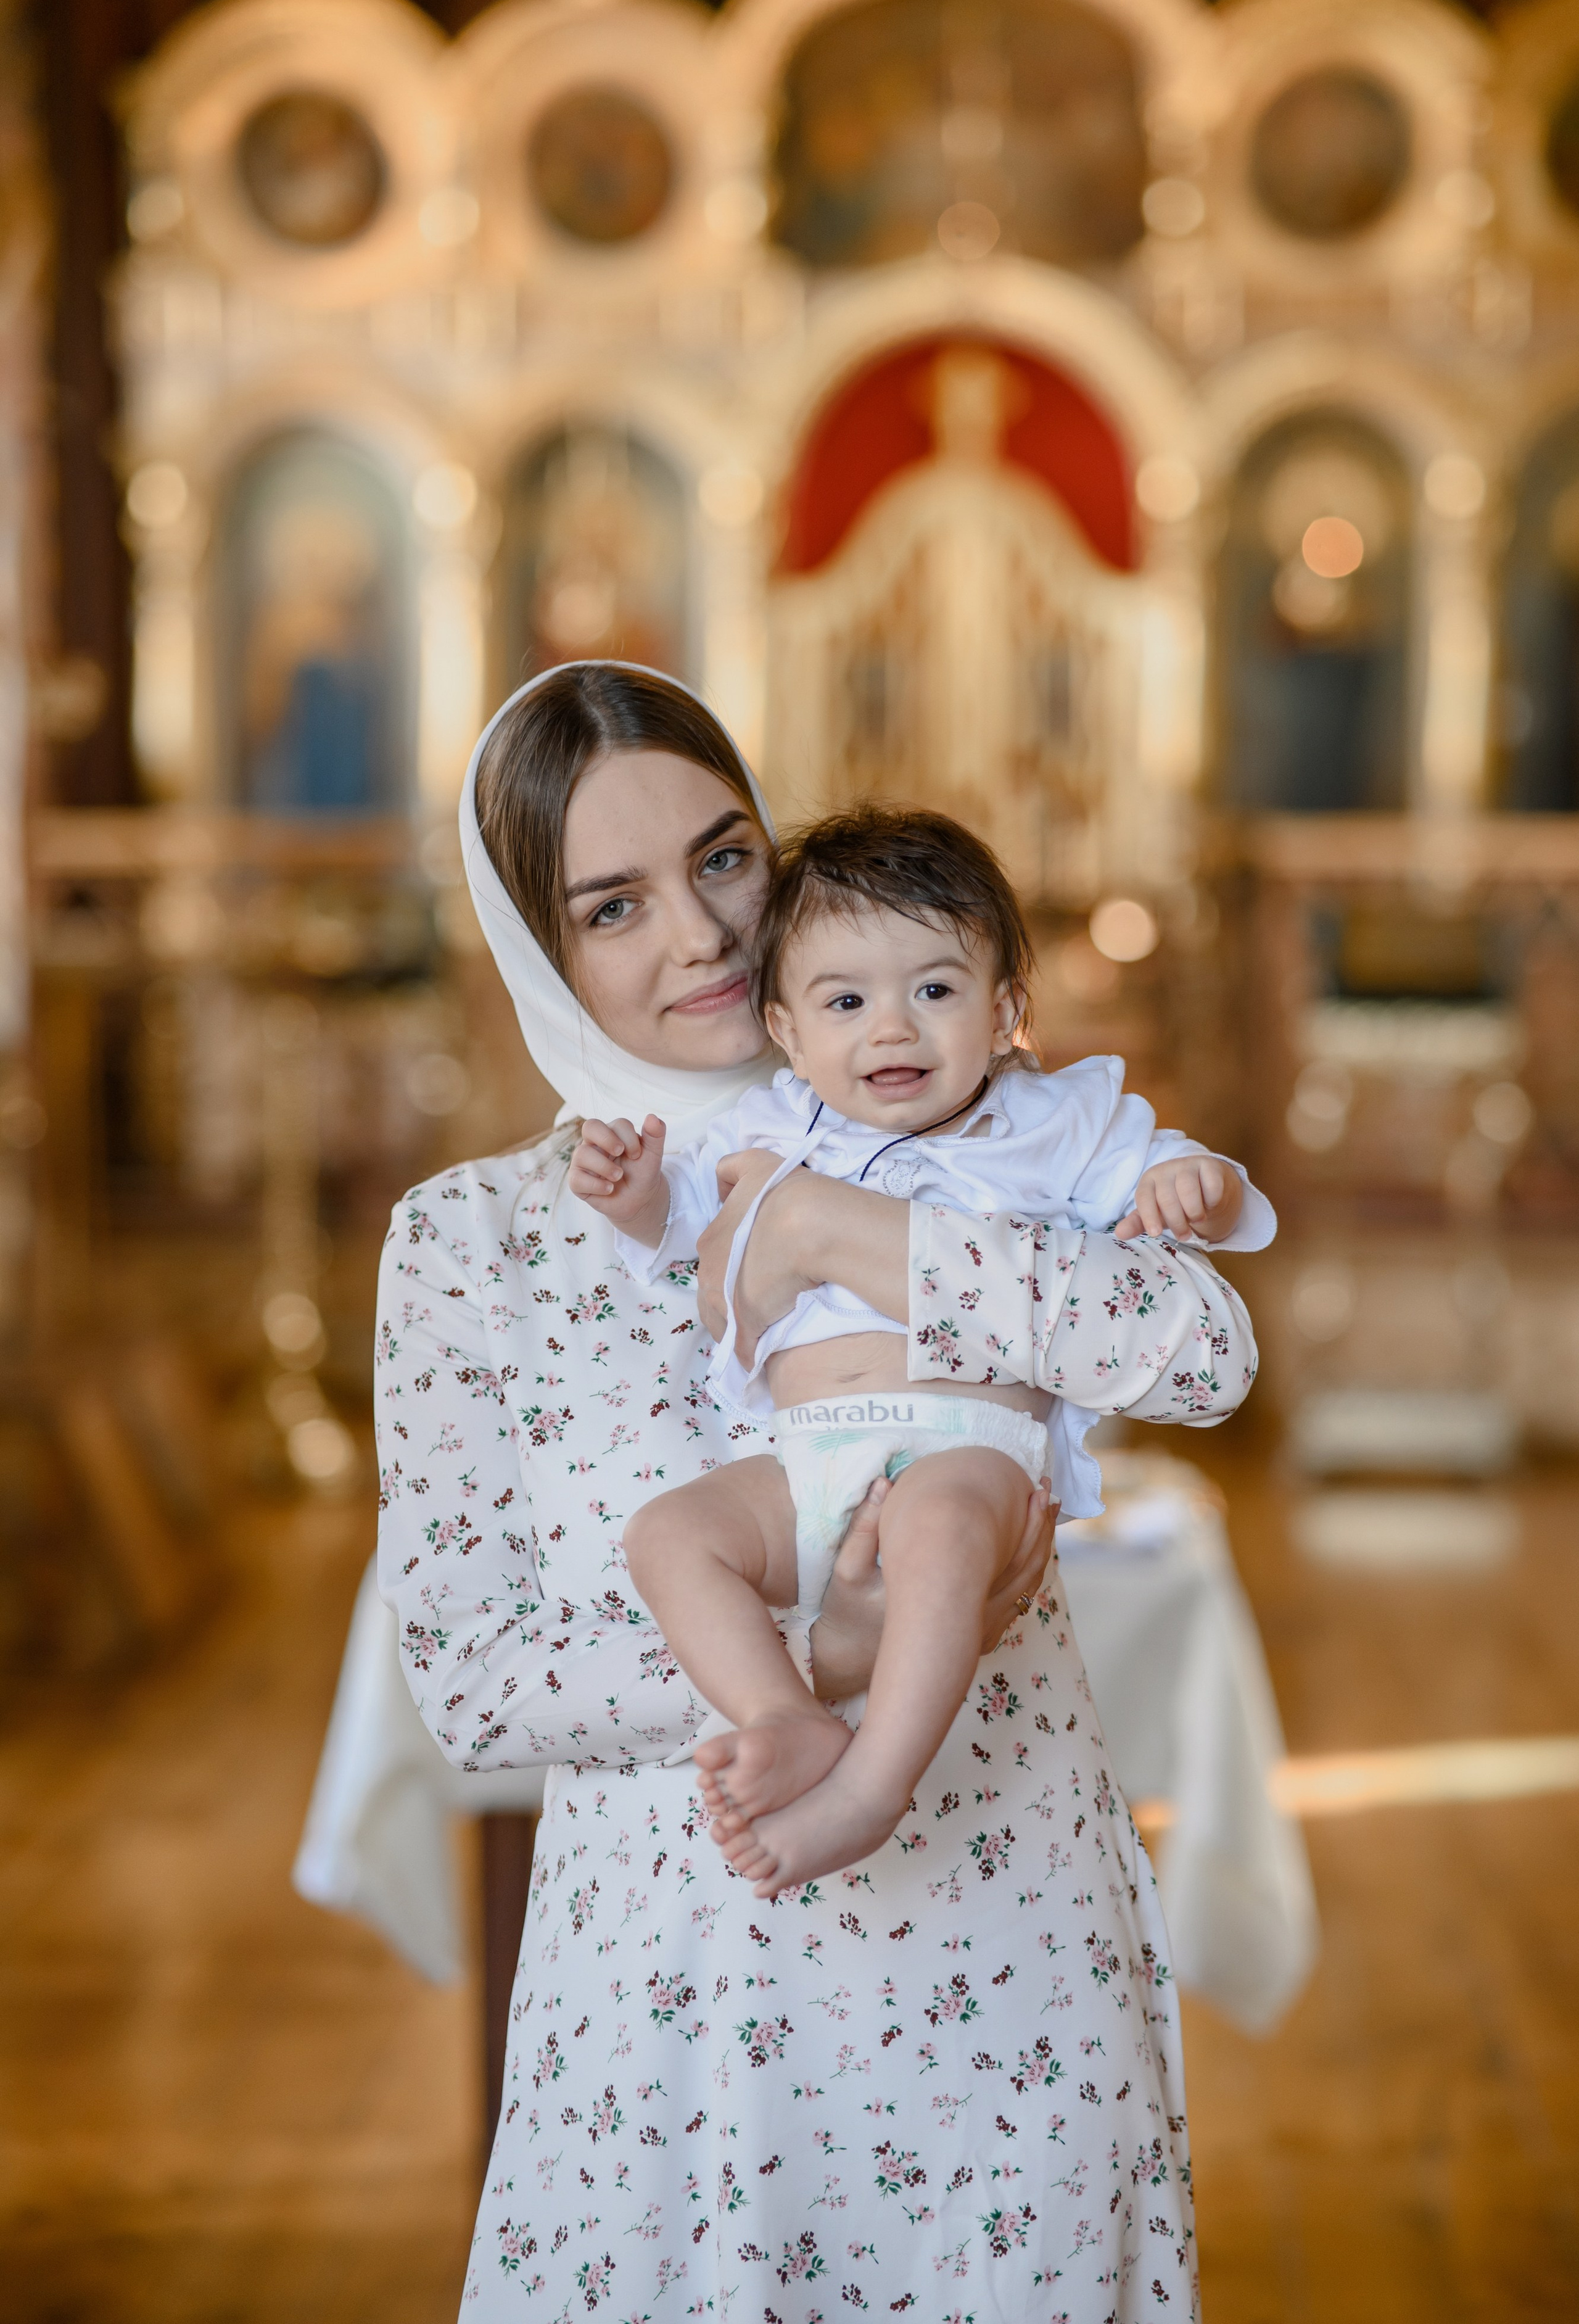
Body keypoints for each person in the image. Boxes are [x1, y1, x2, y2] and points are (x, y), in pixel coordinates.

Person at [377, 661, 1259, 2318]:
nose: (702, 937)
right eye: (613, 905)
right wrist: (833, 1664)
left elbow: (1203, 1358)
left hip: (999, 1936)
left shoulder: (970, 1112)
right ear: (537, 945)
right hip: (669, 1987)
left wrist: (854, 1235)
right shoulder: (471, 1242)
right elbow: (476, 1689)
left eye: (724, 860)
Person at [570, 806, 1272, 1898]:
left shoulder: (1048, 1122)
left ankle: (870, 1789)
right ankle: (784, 1716)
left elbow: (1175, 1184)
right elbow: (678, 1246)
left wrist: (1193, 1188)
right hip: (807, 1457)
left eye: (933, 992)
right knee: (670, 1534)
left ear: (1005, 1012)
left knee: (941, 1533)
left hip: (965, 1447)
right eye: (846, 1003)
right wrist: (635, 1197)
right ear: (789, 1031)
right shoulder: (769, 1130)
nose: (891, 1029)